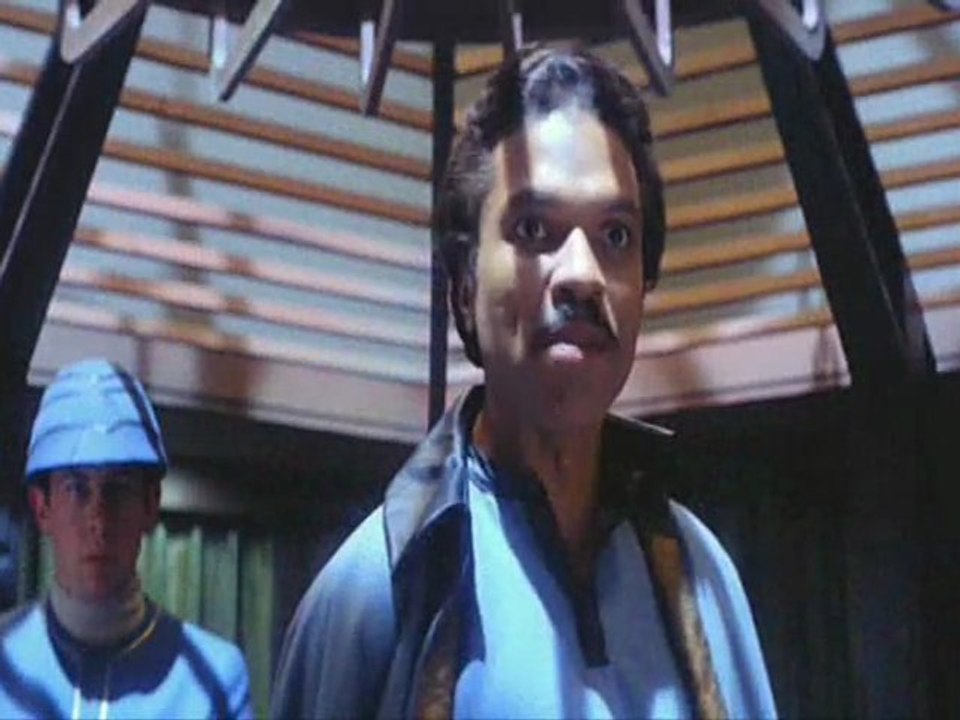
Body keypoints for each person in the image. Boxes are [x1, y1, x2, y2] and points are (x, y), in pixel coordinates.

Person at [272, 46, 777, 719]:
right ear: (464, 282)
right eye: (534, 229)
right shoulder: (373, 594)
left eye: (616, 236)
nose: (582, 274)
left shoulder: (700, 578)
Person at [0, 358, 252, 719]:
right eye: (76, 489)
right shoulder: (7, 662)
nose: (98, 520)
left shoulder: (215, 679)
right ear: (43, 508)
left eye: (118, 490)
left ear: (150, 505)